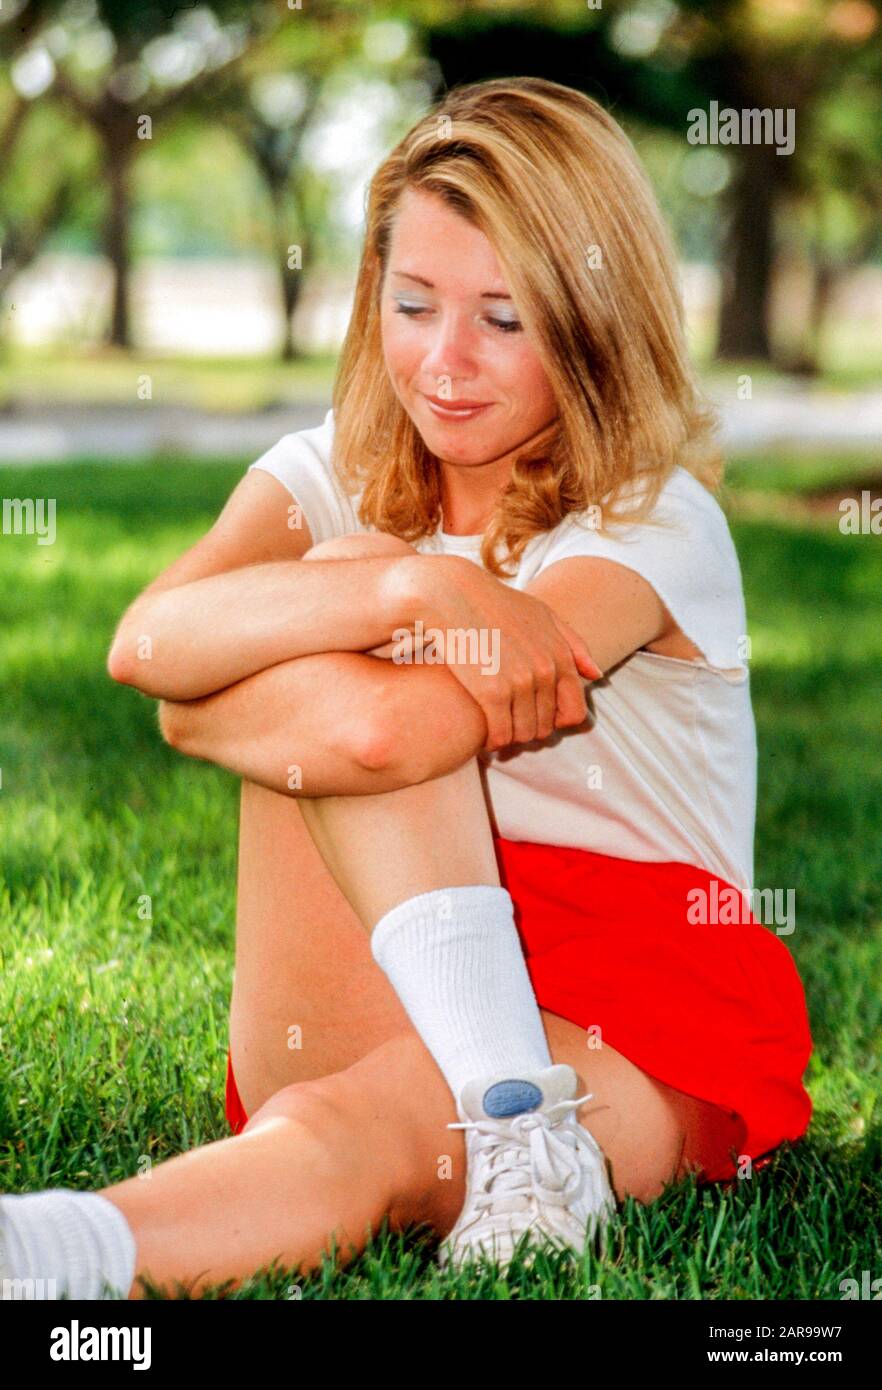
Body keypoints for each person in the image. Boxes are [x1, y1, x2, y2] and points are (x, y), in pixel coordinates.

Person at [0, 76, 812, 1301]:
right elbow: (148, 644)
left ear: (592, 321)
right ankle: (513, 1120)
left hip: (627, 1001)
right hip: (377, 942)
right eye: (414, 302)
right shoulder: (334, 471)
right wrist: (402, 593)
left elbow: (393, 732)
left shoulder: (652, 520)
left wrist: (222, 689)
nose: (445, 364)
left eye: (505, 318)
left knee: (360, 1127)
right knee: (342, 566)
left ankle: (46, 1255)